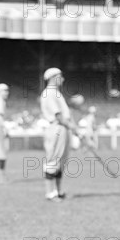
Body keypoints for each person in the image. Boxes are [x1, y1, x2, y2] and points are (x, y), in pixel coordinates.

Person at [40, 68, 74, 202]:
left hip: (63, 128)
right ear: (53, 77)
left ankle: (58, 191)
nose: (63, 79)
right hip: (56, 128)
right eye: (61, 76)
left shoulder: (57, 93)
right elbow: (58, 116)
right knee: (53, 160)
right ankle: (50, 193)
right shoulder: (49, 93)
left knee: (61, 161)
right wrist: (73, 127)